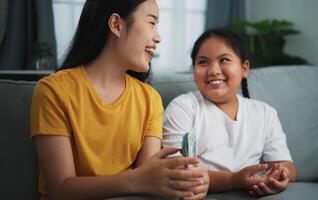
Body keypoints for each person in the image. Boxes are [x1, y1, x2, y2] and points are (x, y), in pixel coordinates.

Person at [30, 1, 209, 199]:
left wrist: (196, 181)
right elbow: (61, 189)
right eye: (152, 23)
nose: (158, 37)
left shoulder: (150, 99)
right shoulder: (53, 91)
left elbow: (150, 181)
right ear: (116, 24)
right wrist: (136, 180)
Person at [162, 28, 297, 197]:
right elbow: (173, 173)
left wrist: (279, 176)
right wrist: (234, 180)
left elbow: (287, 166)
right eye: (203, 62)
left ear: (244, 69)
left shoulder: (265, 113)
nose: (213, 70)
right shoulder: (183, 107)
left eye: (224, 59)